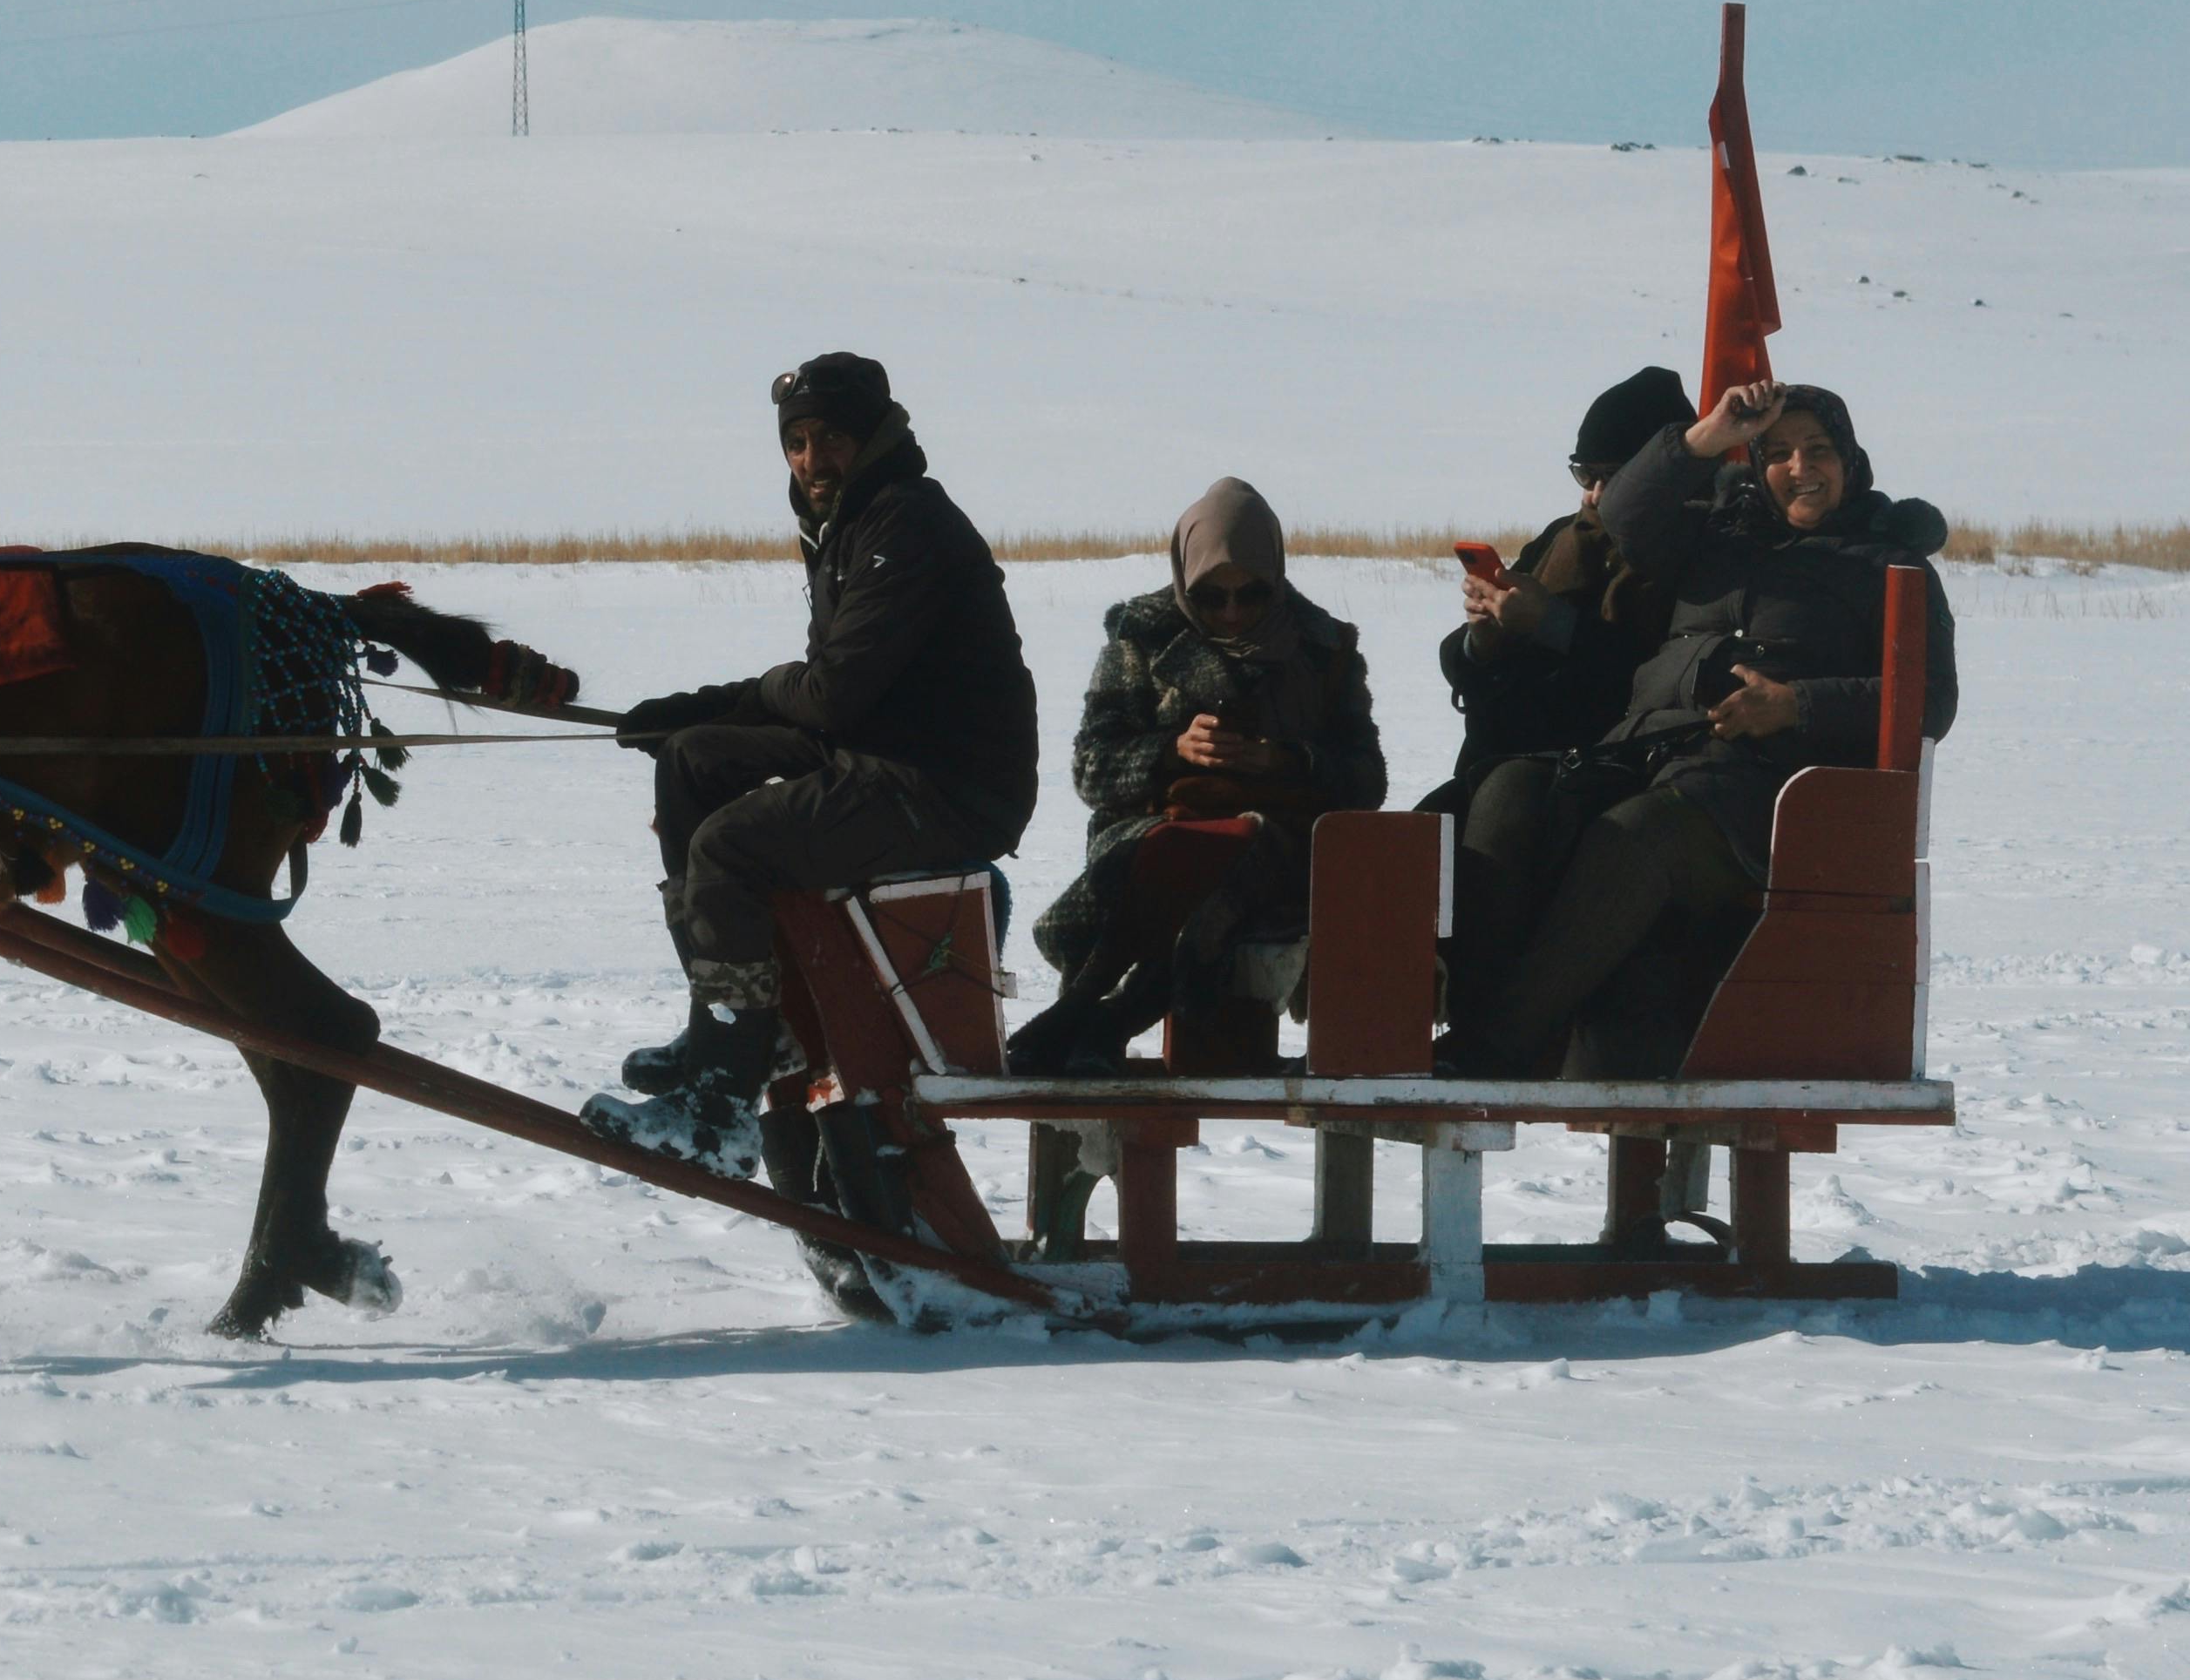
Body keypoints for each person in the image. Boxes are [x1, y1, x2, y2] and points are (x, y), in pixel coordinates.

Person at [584, 353, 1040, 1166]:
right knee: (691, 761)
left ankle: (720, 1104)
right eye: (795, 442)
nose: (809, 458)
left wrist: (753, 691)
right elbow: (833, 689)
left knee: (728, 844)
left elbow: (831, 696)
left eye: (828, 438)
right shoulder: (848, 525)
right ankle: (732, 1030)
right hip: (881, 750)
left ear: (871, 437)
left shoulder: (906, 522)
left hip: (945, 786)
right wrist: (703, 709)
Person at [1441, 376, 1962, 1079]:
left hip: (1765, 791)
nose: (1800, 469)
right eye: (1778, 453)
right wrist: (1705, 437)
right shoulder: (1718, 536)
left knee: (1639, 835)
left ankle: (1495, 1048)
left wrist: (1798, 703)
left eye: (1818, 451)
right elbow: (1624, 515)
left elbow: (1931, 699)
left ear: (1850, 459)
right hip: (1645, 749)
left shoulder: (1888, 566)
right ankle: (1479, 1028)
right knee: (1509, 792)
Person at [1000, 479, 1388, 1077]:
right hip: (1153, 837)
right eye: (1212, 597)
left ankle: (1097, 1017)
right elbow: (1090, 771)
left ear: (1277, 581)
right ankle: (1101, 1019)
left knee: (1241, 844)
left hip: (1283, 845)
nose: (1232, 613)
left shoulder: (1324, 651)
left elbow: (1367, 781)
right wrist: (1172, 752)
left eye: (1252, 595)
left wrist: (1286, 760)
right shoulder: (1143, 640)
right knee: (1188, 857)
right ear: (1186, 583)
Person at [1434, 366, 1695, 804]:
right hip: (1500, 760)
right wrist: (1482, 639)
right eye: (1584, 473)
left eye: (1613, 475)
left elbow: (1655, 678)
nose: (1593, 494)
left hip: (1611, 776)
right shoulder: (1564, 535)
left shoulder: (1694, 548)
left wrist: (1552, 623)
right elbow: (1469, 671)